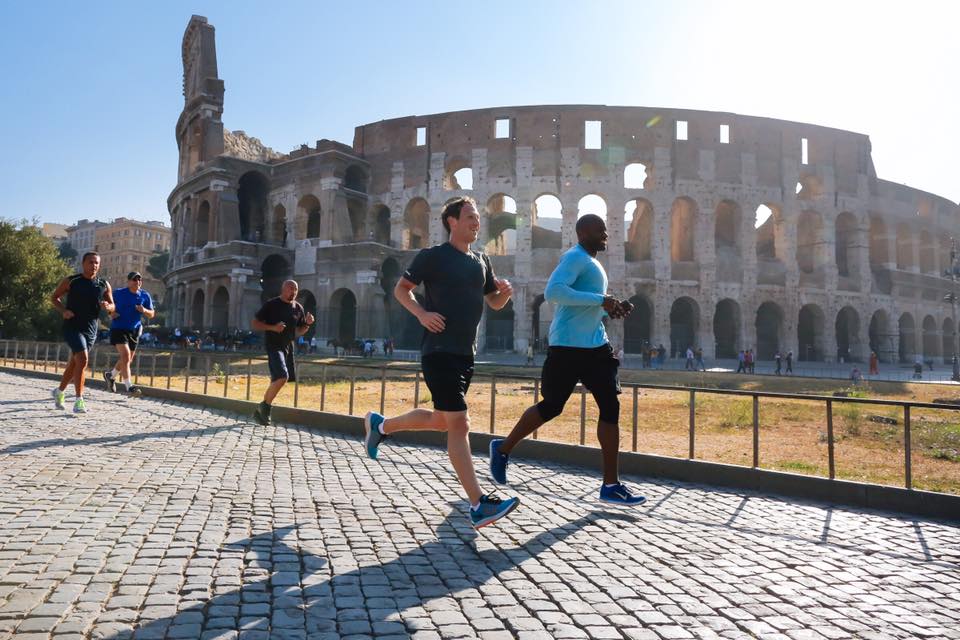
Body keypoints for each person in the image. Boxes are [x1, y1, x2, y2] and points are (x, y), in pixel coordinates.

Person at [361, 197, 520, 529]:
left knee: (441, 421)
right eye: (471, 217)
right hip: (438, 351)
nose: (477, 223)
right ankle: (479, 504)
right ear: (452, 221)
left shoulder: (481, 261)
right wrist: (422, 313)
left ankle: (380, 426)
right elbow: (402, 290)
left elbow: (493, 303)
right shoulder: (432, 257)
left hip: (465, 354)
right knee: (459, 423)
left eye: (478, 218)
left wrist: (504, 292)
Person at [488, 214, 646, 506]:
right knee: (551, 407)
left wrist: (609, 308)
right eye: (600, 230)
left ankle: (611, 485)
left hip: (596, 346)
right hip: (567, 347)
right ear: (583, 232)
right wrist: (601, 301)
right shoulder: (575, 258)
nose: (606, 235)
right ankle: (502, 448)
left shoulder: (594, 263)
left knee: (611, 407)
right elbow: (554, 292)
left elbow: (587, 303)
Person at [49, 252, 115, 413]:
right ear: (83, 263)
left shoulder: (103, 284)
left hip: (91, 329)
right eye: (91, 262)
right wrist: (63, 310)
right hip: (72, 326)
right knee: (83, 358)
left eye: (97, 263)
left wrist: (108, 307)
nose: (94, 265)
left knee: (75, 362)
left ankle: (59, 392)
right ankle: (79, 400)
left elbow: (113, 306)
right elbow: (54, 297)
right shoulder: (72, 281)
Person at [251, 280, 315, 426]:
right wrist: (273, 328)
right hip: (274, 345)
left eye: (296, 289)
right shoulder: (271, 304)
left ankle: (261, 410)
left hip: (288, 347)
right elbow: (254, 323)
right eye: (291, 288)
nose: (293, 291)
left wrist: (307, 324)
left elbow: (299, 331)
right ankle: (264, 408)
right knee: (282, 377)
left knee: (277, 380)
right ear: (283, 289)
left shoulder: (298, 308)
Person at [102, 272, 154, 396]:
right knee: (125, 356)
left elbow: (152, 314)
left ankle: (111, 375)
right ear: (128, 281)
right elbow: (108, 304)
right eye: (134, 280)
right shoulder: (119, 293)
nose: (137, 282)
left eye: (139, 280)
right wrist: (110, 313)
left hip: (134, 330)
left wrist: (144, 310)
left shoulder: (145, 295)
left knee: (128, 359)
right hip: (118, 328)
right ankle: (129, 387)